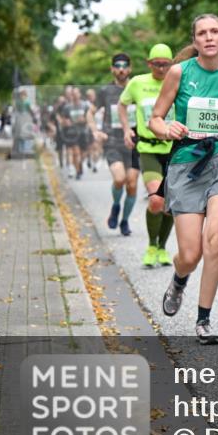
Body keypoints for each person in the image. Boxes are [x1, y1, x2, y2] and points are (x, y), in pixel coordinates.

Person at [148, 15, 218, 345]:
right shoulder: (180, 73)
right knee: (190, 253)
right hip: (186, 164)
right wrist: (167, 128)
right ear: (195, 41)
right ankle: (180, 279)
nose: (209, 37)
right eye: (202, 33)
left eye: (214, 31)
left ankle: (203, 319)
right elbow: (155, 118)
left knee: (216, 239)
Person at [119, 45, 176, 268]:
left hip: (173, 149)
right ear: (148, 63)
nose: (161, 68)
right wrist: (126, 129)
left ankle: (162, 248)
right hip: (148, 149)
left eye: (166, 64)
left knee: (170, 204)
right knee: (156, 200)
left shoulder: (177, 82)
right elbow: (122, 105)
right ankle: (152, 245)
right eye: (156, 64)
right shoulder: (137, 83)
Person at [93, 53, 140, 236]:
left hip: (135, 143)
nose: (121, 69)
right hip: (112, 141)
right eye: (117, 65)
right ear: (112, 69)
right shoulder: (105, 91)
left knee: (132, 184)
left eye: (124, 66)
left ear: (130, 69)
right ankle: (115, 206)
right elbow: (90, 112)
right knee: (120, 179)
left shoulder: (137, 88)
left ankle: (125, 220)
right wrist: (95, 130)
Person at [57, 86, 92, 180]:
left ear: (80, 94)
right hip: (72, 133)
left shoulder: (85, 105)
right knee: (76, 152)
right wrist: (66, 122)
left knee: (83, 153)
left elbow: (90, 118)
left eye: (77, 93)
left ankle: (80, 165)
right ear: (71, 95)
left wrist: (84, 119)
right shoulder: (67, 107)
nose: (75, 95)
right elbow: (63, 120)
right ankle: (77, 172)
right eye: (74, 94)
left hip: (84, 132)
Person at [84, 88, 101, 172]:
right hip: (88, 128)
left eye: (92, 95)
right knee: (89, 147)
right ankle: (89, 159)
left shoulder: (99, 103)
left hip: (98, 127)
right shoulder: (85, 105)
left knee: (96, 146)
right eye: (89, 96)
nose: (91, 97)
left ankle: (95, 164)